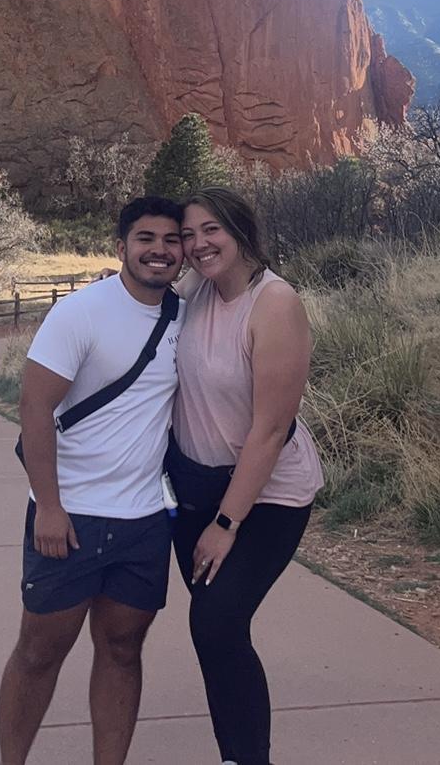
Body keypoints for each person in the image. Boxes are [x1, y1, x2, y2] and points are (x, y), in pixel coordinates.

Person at [0, 196, 185, 765]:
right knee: (40, 650)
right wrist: (49, 507)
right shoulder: (81, 312)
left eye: (171, 240)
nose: (159, 250)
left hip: (143, 519)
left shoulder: (187, 311)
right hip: (70, 516)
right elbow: (34, 408)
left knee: (123, 649)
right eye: (145, 239)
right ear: (121, 246)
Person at [167, 185, 324, 765]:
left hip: (266, 497)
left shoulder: (275, 303)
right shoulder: (194, 291)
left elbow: (271, 429)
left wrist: (228, 522)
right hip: (197, 490)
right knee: (219, 635)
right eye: (189, 234)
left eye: (211, 230)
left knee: (215, 621)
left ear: (239, 230)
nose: (199, 243)